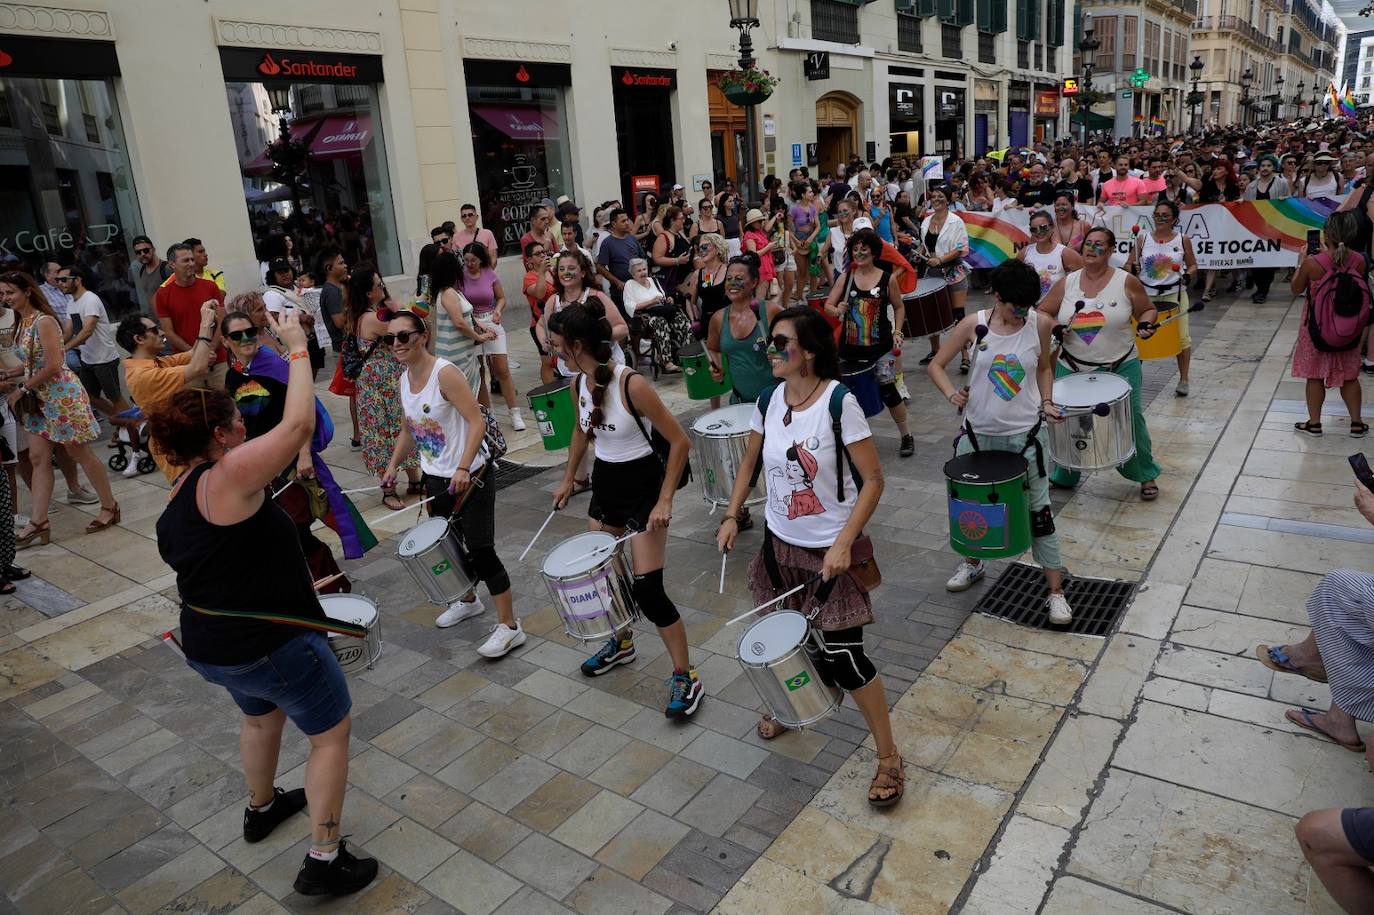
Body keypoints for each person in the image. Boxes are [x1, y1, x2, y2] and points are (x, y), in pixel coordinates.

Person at [149, 311, 378, 898]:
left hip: (215, 647)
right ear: (222, 435)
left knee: (259, 716)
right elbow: (300, 424)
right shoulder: (227, 476)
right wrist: (299, 347)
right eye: (235, 419)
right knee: (330, 734)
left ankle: (262, 806)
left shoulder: (182, 484)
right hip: (268, 649)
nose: (244, 425)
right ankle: (324, 858)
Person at [716, 305, 903, 806]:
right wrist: (733, 515)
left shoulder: (839, 404)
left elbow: (874, 481)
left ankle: (887, 755)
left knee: (845, 657)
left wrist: (843, 542)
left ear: (810, 352)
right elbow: (750, 461)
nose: (770, 351)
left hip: (829, 553)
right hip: (779, 548)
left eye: (780, 343)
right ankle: (787, 706)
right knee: (784, 640)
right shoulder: (769, 398)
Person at [549, 301, 702, 717]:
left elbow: (680, 442)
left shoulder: (630, 384)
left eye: (558, 345)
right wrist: (568, 479)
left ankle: (686, 674)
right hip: (607, 484)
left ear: (579, 344)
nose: (554, 352)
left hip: (643, 487)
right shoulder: (578, 383)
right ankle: (622, 642)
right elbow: (582, 432)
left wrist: (666, 498)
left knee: (648, 591)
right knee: (606, 579)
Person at [928, 260, 1074, 623]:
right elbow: (936, 365)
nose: (1022, 312)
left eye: (1028, 305)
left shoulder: (1038, 324)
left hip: (1025, 439)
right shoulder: (973, 325)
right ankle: (973, 563)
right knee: (973, 509)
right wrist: (951, 395)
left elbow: (1043, 368)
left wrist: (1047, 403)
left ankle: (1055, 591)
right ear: (997, 296)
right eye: (1015, 306)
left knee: (1039, 514)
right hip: (976, 438)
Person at [381, 312, 526, 652]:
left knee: (481, 550)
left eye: (404, 336)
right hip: (436, 477)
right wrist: (392, 466)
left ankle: (509, 626)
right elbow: (409, 428)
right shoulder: (405, 379)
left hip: (471, 476)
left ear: (423, 335)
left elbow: (475, 422)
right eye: (390, 339)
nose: (396, 344)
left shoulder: (444, 373)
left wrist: (462, 468)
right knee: (447, 544)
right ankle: (469, 599)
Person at [221, 309, 375, 589]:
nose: (245, 338)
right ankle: (307, 586)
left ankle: (333, 587)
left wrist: (304, 455)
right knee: (278, 532)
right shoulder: (232, 377)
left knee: (297, 528)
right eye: (236, 334)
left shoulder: (276, 365)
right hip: (259, 469)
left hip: (291, 463)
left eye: (250, 331)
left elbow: (304, 411)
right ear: (225, 341)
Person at [1040, 227, 1164, 500]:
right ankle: (1064, 473)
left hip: (1120, 366)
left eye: (1099, 245)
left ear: (1110, 251)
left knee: (1132, 420)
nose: (1091, 249)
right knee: (1065, 421)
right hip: (1072, 366)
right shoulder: (1067, 282)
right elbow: (1043, 312)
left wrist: (1146, 323)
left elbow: (1147, 309)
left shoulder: (1126, 281)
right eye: (1088, 244)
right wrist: (1056, 327)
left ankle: (1145, 474)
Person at [2, 271, 119, 543]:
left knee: (80, 453)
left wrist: (22, 388)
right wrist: (10, 374)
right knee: (38, 458)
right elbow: (33, 363)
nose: (6, 299)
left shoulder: (44, 321)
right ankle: (39, 521)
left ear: (27, 291)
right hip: (39, 399)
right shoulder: (22, 322)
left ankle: (109, 506)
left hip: (60, 397)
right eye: (3, 294)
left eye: (10, 293)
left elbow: (54, 364)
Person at [705, 253, 784, 530]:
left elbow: (790, 347)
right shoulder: (718, 318)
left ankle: (786, 513)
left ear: (753, 283)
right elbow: (713, 347)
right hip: (740, 402)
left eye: (739, 279)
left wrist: (779, 356)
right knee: (740, 462)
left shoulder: (769, 312)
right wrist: (717, 368)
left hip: (776, 401)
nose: (732, 283)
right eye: (729, 279)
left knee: (779, 459)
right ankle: (739, 514)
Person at [823, 227, 913, 457]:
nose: (859, 253)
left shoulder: (887, 278)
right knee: (848, 396)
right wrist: (837, 309)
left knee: (889, 391)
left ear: (874, 253)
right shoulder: (846, 277)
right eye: (855, 249)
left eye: (864, 249)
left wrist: (898, 332)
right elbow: (828, 307)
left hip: (881, 348)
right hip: (849, 350)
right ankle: (854, 439)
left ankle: (906, 435)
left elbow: (899, 307)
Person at [118, 305, 220, 481]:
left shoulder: (155, 362)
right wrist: (204, 323)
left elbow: (194, 353)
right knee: (193, 492)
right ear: (139, 339)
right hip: (175, 446)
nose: (161, 333)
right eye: (154, 330)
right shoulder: (143, 375)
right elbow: (198, 366)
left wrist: (209, 323)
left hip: (186, 437)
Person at [1290, 211, 1367, 438]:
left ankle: (1314, 423)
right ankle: (1356, 423)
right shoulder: (1359, 260)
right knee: (1350, 376)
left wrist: (1301, 262)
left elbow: (1296, 289)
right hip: (1348, 327)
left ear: (1326, 234)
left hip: (1316, 328)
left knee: (1314, 375)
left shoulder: (1313, 264)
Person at [1127, 199, 1197, 396]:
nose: (1161, 219)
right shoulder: (1142, 239)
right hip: (1145, 296)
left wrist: (1188, 275)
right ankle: (1134, 378)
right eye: (1157, 215)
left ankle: (1184, 379)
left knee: (1182, 337)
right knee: (1138, 338)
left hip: (1174, 293)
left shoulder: (1183, 239)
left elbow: (1192, 264)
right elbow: (1128, 265)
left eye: (1165, 216)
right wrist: (1133, 267)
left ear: (1174, 218)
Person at [460, 242, 524, 430]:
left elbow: (501, 297)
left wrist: (497, 310)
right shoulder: (460, 278)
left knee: (502, 369)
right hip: (472, 324)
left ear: (481, 260)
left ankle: (515, 412)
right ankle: (488, 415)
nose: (469, 264)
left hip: (491, 320)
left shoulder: (490, 274)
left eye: (473, 260)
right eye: (466, 261)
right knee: (479, 371)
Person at [61, 264, 130, 421]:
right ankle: (124, 422)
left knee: (115, 397)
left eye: (64, 279)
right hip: (88, 358)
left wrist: (64, 349)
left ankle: (136, 426)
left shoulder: (90, 299)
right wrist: (51, 348)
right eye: (58, 280)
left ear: (77, 280)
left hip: (104, 359)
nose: (60, 283)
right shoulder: (71, 303)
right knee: (89, 396)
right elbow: (68, 332)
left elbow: (87, 331)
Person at [155, 243, 227, 388]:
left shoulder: (210, 286)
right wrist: (194, 353)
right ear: (172, 264)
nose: (191, 264)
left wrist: (209, 350)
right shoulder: (163, 294)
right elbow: (169, 332)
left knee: (226, 407)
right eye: (186, 260)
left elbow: (222, 321)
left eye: (192, 260)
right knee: (194, 408)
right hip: (187, 366)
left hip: (218, 362)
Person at [919, 186, 971, 372]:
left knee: (958, 315)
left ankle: (965, 356)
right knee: (933, 314)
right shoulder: (925, 221)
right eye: (933, 196)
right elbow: (925, 245)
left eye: (940, 196)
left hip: (953, 271)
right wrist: (919, 253)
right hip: (933, 272)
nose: (936, 199)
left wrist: (940, 259)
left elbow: (960, 247)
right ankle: (935, 350)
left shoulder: (956, 221)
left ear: (948, 199)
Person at [431, 249, 490, 398]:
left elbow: (465, 316)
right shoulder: (448, 293)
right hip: (455, 354)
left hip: (462, 352)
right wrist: (479, 337)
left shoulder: (451, 291)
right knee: (463, 397)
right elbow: (459, 323)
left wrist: (479, 325)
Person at [622, 257, 691, 373]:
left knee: (682, 320)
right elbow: (631, 307)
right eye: (639, 271)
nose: (643, 272)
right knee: (660, 322)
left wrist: (668, 299)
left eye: (644, 269)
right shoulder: (630, 285)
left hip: (662, 311)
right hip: (644, 317)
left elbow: (662, 297)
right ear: (632, 273)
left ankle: (689, 355)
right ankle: (666, 362)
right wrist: (651, 302)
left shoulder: (653, 281)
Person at [262, 259, 327, 377]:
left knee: (312, 376)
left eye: (287, 270)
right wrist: (299, 317)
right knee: (300, 377)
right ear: (273, 276)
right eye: (280, 272)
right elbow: (271, 316)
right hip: (292, 343)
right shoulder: (272, 294)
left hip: (313, 338)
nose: (285, 274)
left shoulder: (300, 287)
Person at [1018, 209, 1083, 301]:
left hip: (1057, 310)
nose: (1039, 232)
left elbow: (1086, 275)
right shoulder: (1024, 253)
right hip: (1030, 309)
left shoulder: (1064, 253)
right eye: (1034, 229)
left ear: (1052, 228)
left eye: (1043, 227)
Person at [595, 208, 647, 319]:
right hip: (621, 292)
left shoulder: (632, 239)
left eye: (627, 220)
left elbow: (643, 260)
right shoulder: (607, 243)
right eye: (623, 221)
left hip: (638, 288)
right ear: (613, 224)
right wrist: (617, 282)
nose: (627, 223)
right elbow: (600, 267)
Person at [521, 240, 556, 385]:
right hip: (540, 325)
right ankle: (550, 391)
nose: (542, 255)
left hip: (558, 321)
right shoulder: (529, 277)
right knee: (547, 361)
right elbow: (540, 294)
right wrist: (541, 272)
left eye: (544, 252)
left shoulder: (553, 272)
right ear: (530, 259)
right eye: (538, 253)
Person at [687, 232, 730, 340]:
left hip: (729, 321)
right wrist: (694, 320)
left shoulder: (730, 270)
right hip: (708, 324)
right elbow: (689, 300)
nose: (701, 251)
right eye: (699, 248)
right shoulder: (698, 274)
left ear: (717, 248)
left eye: (705, 247)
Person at [129, 235, 171, 315]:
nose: (142, 254)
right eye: (138, 252)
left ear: (153, 249)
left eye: (146, 250)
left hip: (168, 320)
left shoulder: (166, 268)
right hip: (154, 321)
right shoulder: (142, 271)